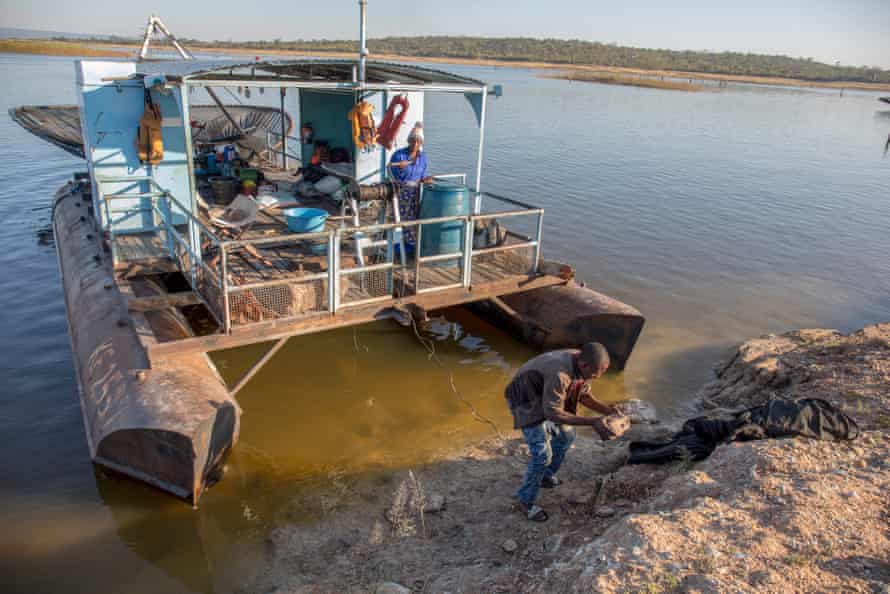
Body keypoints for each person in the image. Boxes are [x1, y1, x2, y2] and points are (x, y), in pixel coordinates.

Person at [505, 342, 624, 522]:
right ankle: (525, 501)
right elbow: (552, 413)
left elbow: (584, 396)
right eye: (593, 375)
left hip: (545, 395)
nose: (594, 378)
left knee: (567, 437)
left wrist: (609, 412)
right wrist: (593, 421)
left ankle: (545, 476)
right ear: (583, 365)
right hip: (525, 399)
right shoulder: (559, 373)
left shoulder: (582, 362)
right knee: (542, 455)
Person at [389, 122, 431, 248]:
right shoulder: (399, 155)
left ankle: (411, 246)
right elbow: (391, 172)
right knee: (399, 218)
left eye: (418, 142)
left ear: (421, 143)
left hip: (415, 193)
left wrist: (425, 180)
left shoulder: (423, 157)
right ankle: (397, 246)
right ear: (409, 141)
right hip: (401, 192)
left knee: (414, 219)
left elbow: (422, 175)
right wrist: (400, 168)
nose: (415, 144)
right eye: (413, 141)